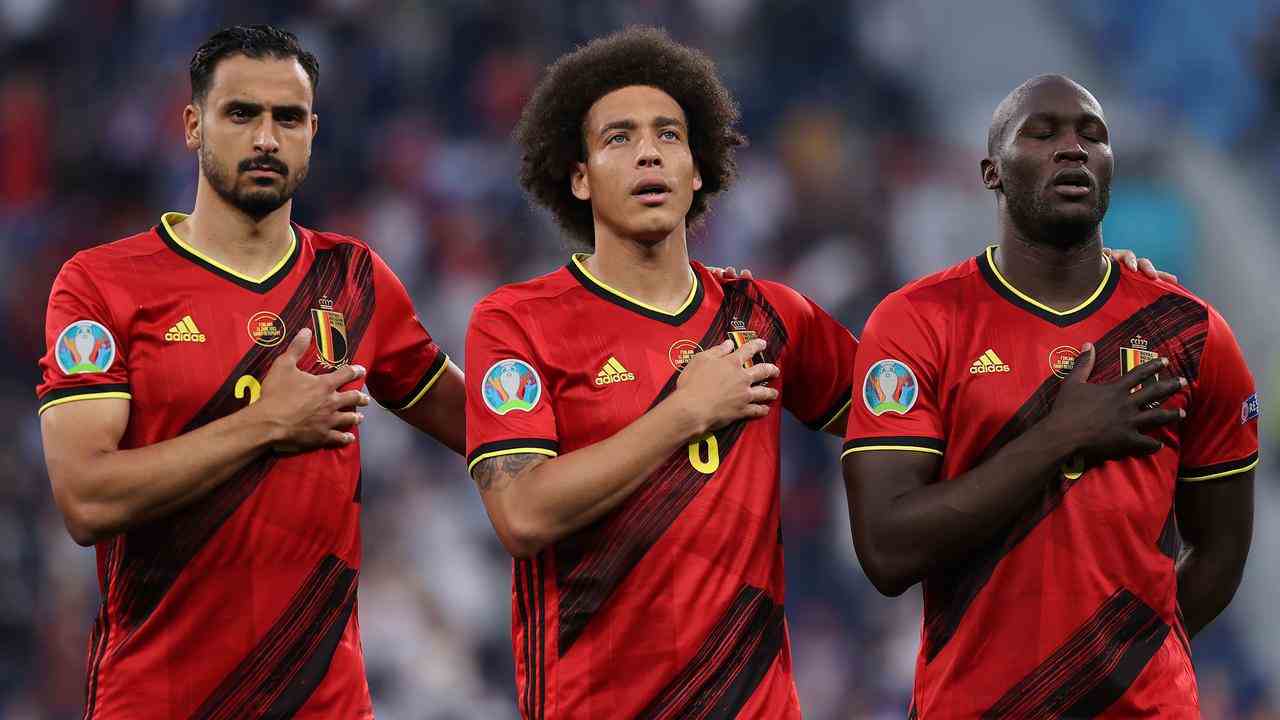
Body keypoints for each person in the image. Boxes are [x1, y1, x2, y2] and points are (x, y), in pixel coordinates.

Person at [36, 25, 463, 719]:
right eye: (241, 114)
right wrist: (264, 425)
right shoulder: (101, 286)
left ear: (313, 131)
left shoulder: (353, 280)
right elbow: (85, 499)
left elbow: (495, 429)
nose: (266, 138)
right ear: (192, 125)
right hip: (157, 702)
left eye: (287, 118)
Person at [464, 27, 858, 719]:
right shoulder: (518, 321)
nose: (648, 150)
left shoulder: (768, 316)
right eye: (618, 137)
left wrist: (1091, 287)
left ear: (698, 168)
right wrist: (684, 412)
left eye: (669, 135)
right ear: (578, 176)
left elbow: (915, 414)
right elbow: (522, 513)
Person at [842, 74, 1258, 718]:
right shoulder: (917, 322)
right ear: (991, 173)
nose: (1075, 148)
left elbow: (1222, 552)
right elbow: (887, 550)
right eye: (1043, 133)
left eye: (1093, 136)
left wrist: (1124, 664)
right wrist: (1063, 435)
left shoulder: (1191, 332)